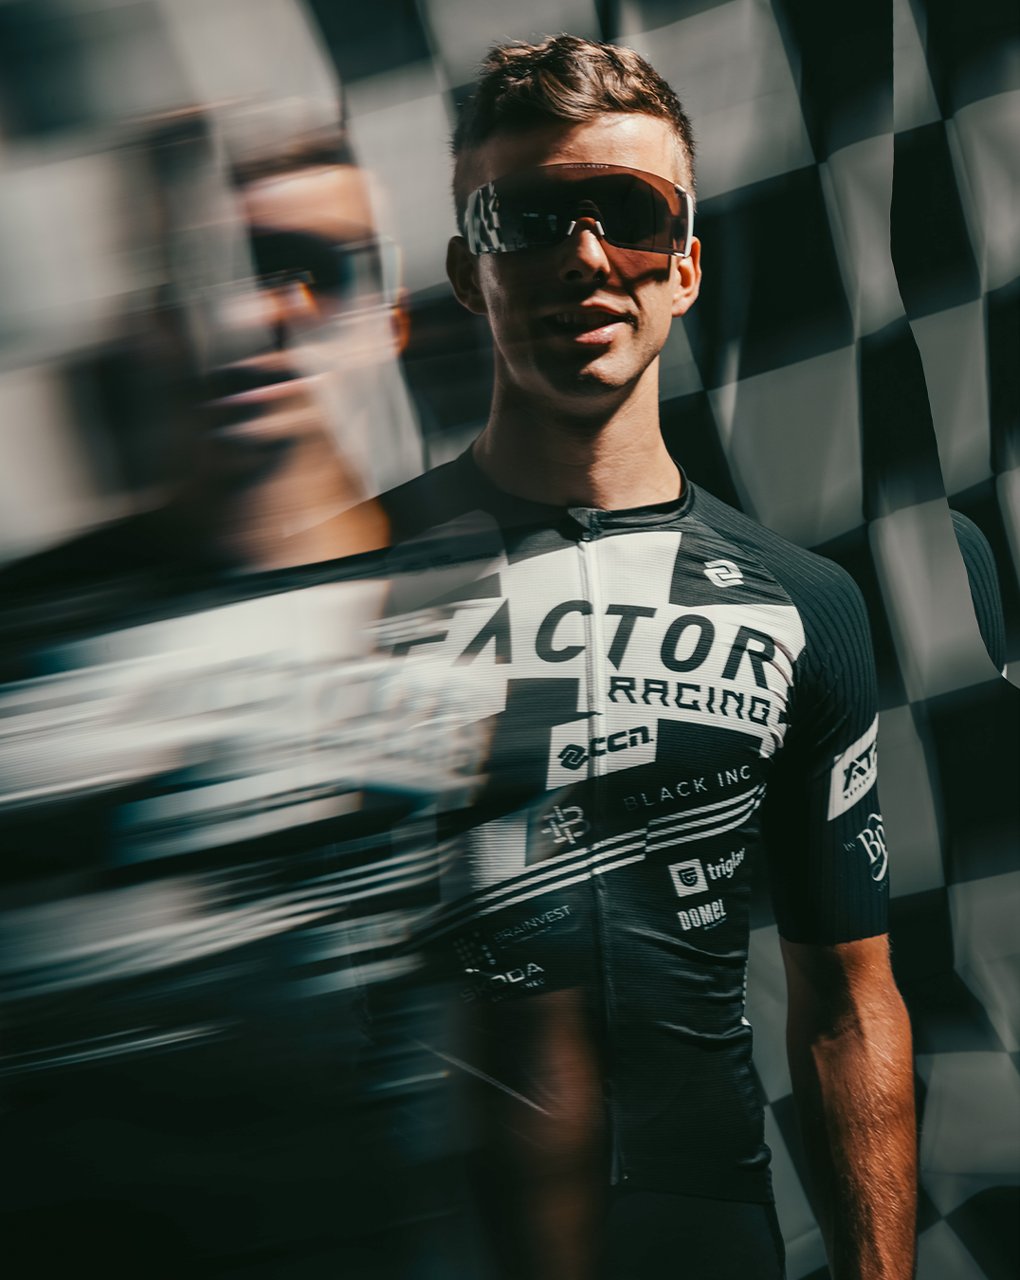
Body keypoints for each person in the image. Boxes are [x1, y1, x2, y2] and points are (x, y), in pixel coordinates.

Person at [348, 35, 918, 1280]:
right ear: (468, 269)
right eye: (528, 218)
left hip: (702, 1231)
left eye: (631, 213)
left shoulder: (806, 606)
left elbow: (848, 1005)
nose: (585, 256)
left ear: (687, 265)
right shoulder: (343, 591)